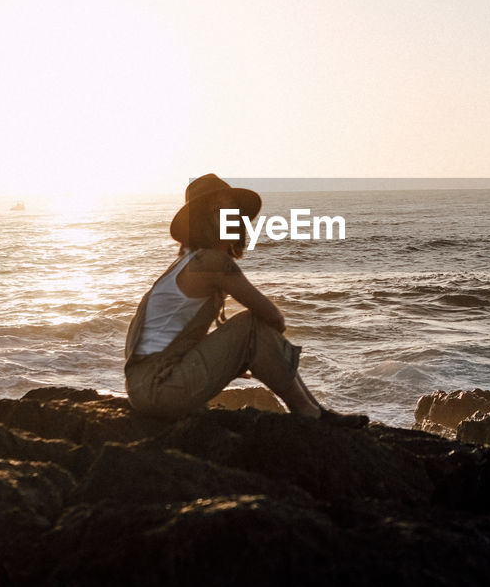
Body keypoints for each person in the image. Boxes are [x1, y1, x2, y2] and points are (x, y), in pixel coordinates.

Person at [124, 174, 366, 426]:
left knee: (251, 327)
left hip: (146, 388)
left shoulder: (185, 263)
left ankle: (314, 410)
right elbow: (274, 318)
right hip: (159, 389)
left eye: (234, 211)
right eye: (220, 210)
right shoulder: (211, 262)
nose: (232, 217)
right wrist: (249, 352)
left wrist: (237, 354)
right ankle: (309, 412)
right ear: (201, 221)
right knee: (252, 323)